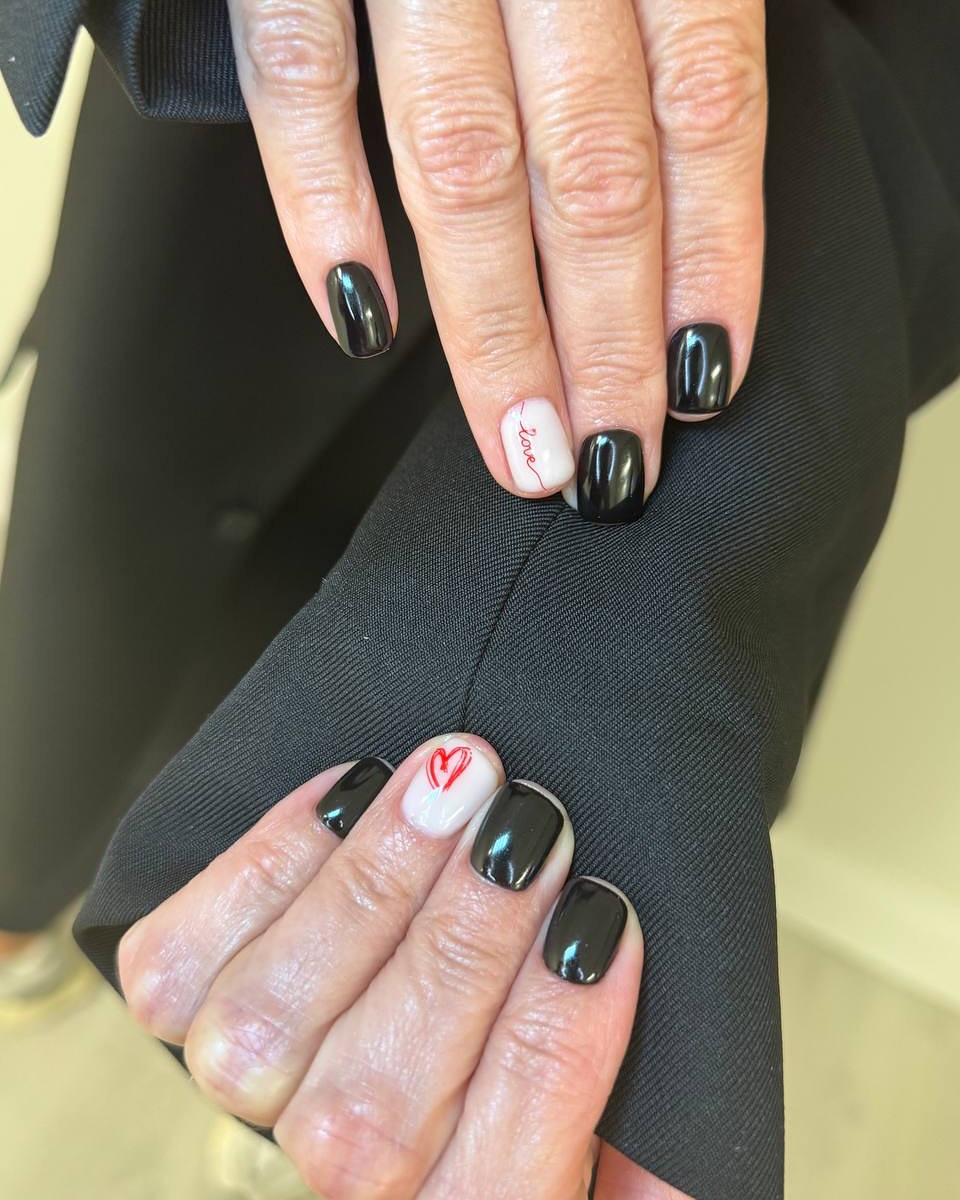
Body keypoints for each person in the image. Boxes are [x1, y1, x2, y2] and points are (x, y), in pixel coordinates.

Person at [0, 1, 958, 1197]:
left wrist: (608, 617)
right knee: (80, 636)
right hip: (259, 155)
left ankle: (313, 1080)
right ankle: (21, 892)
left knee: (409, 956)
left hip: (801, 233)